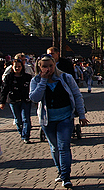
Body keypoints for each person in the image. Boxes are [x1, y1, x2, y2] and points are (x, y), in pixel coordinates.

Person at [29, 54, 89, 189]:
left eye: (51, 65)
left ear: (55, 64)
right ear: (39, 67)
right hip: (48, 119)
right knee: (54, 147)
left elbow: (77, 95)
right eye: (44, 66)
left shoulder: (65, 78)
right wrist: (43, 81)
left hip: (65, 117)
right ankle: (60, 170)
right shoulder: (36, 80)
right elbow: (34, 98)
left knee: (63, 147)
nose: (48, 69)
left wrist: (81, 115)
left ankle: (66, 176)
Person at [0, 58, 33, 143]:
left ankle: (26, 136)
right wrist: (2, 102)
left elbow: (32, 88)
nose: (17, 68)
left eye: (19, 66)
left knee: (26, 119)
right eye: (15, 67)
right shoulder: (9, 78)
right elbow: (4, 90)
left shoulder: (27, 77)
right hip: (13, 100)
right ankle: (21, 132)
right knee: (18, 119)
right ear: (12, 67)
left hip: (25, 100)